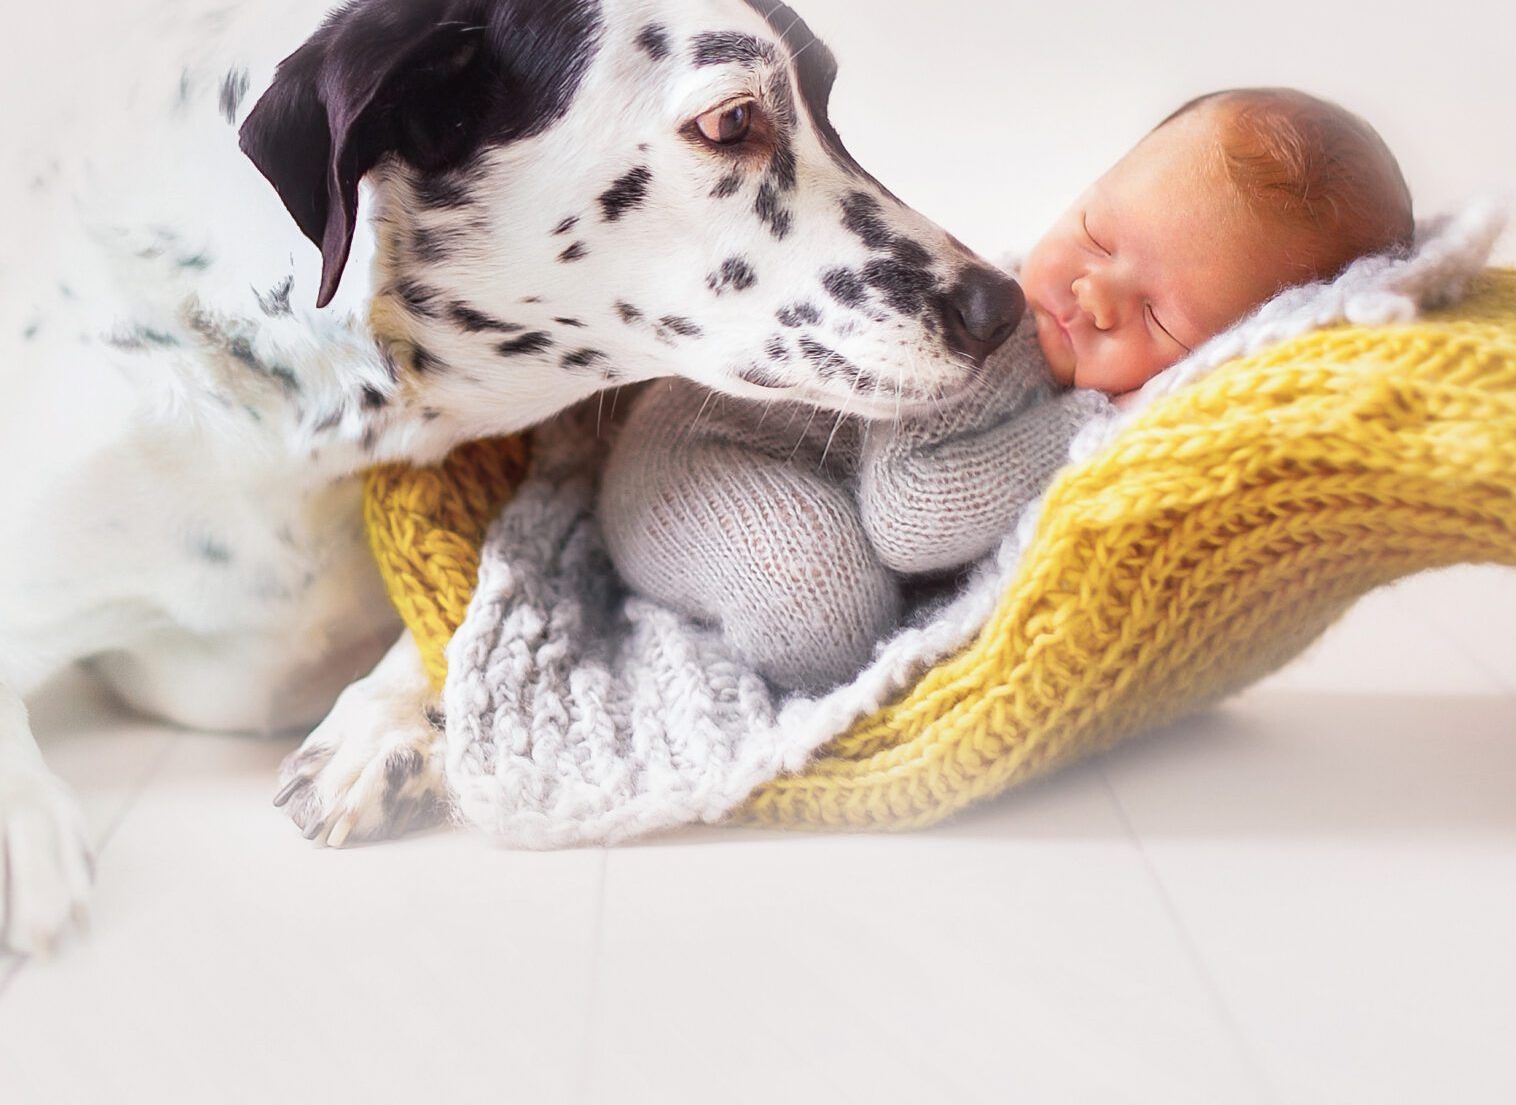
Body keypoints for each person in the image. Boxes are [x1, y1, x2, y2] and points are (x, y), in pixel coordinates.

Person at [598, 88, 1414, 693]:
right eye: (1098, 234)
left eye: (1161, 319)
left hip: (779, 482)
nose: (1094, 295)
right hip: (698, 465)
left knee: (845, 594)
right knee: (825, 609)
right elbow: (911, 515)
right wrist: (1093, 419)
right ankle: (671, 646)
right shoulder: (1001, 340)